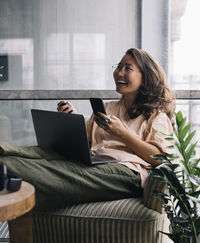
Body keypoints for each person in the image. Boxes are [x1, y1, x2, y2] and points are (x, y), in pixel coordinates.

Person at [0, 48, 174, 210]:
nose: (119, 72)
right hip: (95, 160)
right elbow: (87, 142)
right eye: (118, 67)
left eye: (128, 68)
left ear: (146, 77)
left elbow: (161, 159)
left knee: (33, 168)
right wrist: (72, 120)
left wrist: (123, 134)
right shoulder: (107, 108)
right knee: (36, 152)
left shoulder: (156, 116)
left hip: (127, 171)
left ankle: (6, 166)